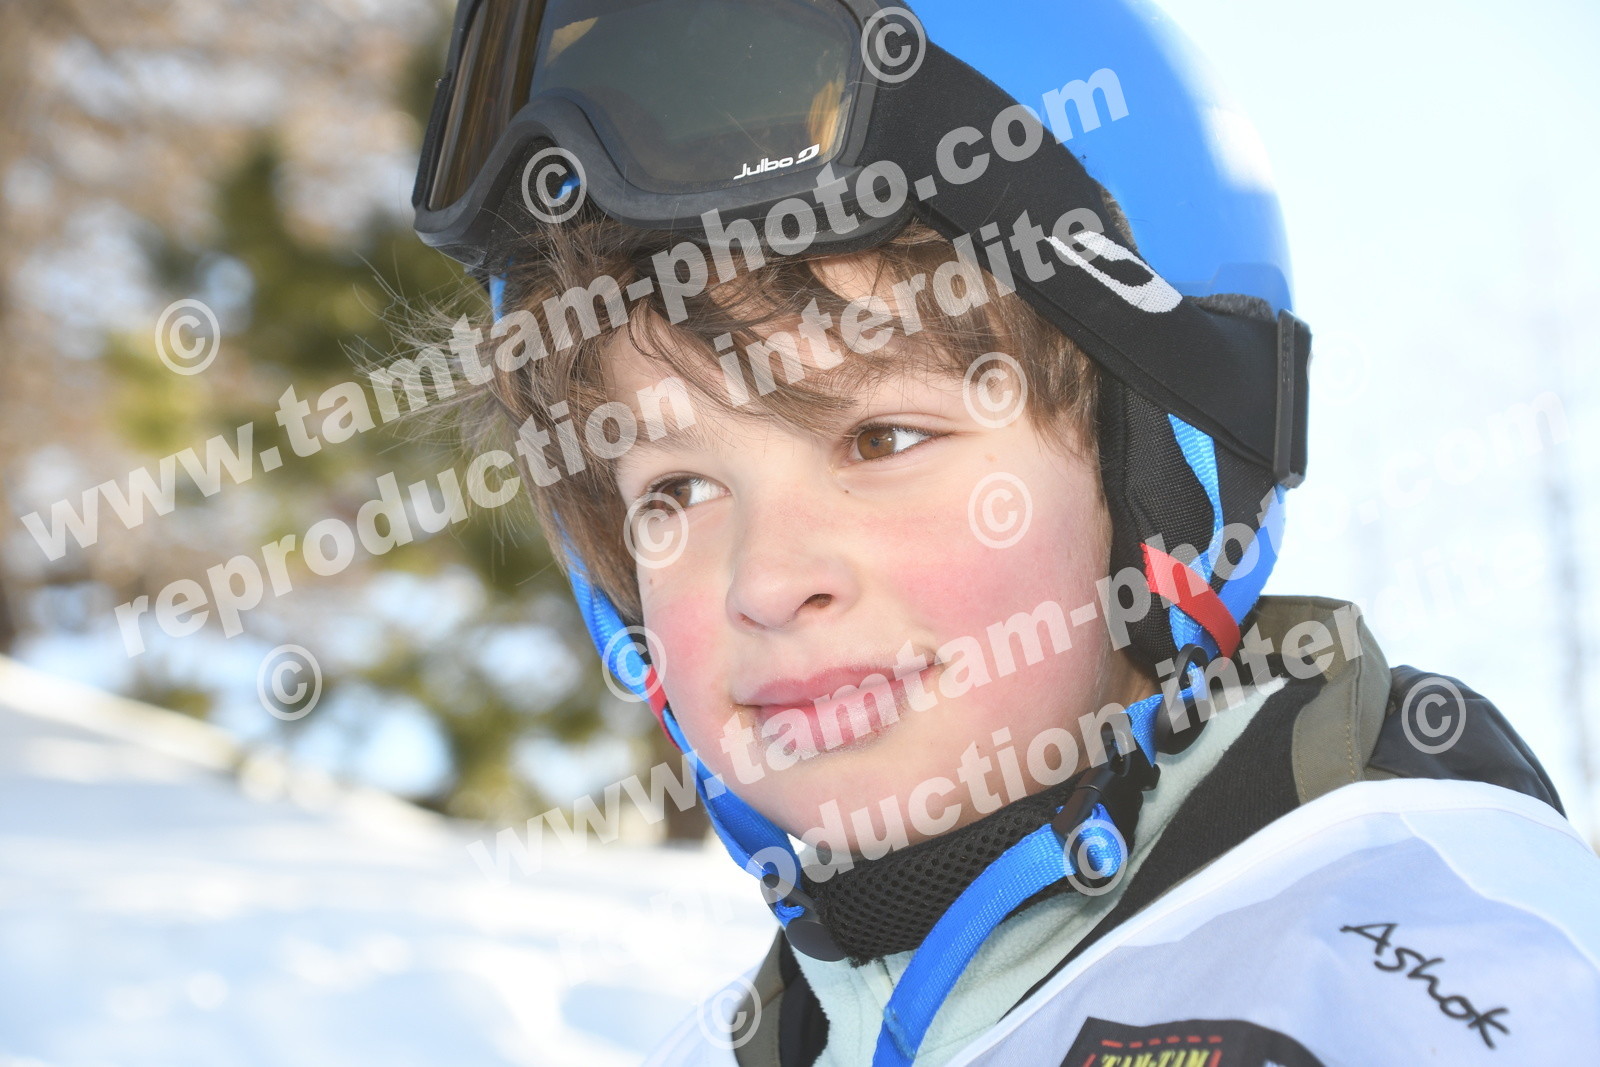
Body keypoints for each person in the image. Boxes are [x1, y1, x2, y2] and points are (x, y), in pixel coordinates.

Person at [408, 1, 1600, 1063]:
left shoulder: (1416, 973)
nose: (764, 579)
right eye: (672, 490)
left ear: (1162, 480)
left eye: (882, 438)